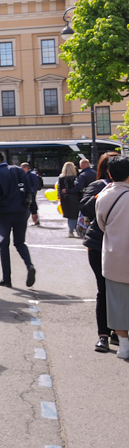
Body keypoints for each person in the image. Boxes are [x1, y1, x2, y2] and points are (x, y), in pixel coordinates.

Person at [94, 154, 129, 360]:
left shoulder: (104, 196)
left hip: (113, 256)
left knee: (116, 302)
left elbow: (101, 224)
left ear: (109, 174)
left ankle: (123, 345)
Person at [0, 150, 37, 288]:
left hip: (4, 215)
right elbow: (29, 191)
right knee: (20, 243)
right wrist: (33, 210)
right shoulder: (18, 170)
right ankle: (29, 265)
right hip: (21, 212)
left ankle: (7, 278)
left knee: (3, 245)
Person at [81, 153, 116, 353]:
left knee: (119, 291)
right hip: (99, 244)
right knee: (104, 290)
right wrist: (103, 195)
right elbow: (85, 208)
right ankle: (103, 334)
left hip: (121, 245)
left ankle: (118, 332)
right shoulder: (99, 186)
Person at [57, 162, 81, 237]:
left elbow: (59, 188)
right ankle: (72, 231)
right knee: (74, 215)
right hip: (73, 198)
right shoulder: (75, 178)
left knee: (69, 215)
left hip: (64, 198)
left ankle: (71, 230)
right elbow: (77, 188)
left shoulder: (61, 178)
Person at [21, 162, 42, 227]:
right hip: (25, 193)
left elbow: (35, 185)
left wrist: (32, 192)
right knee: (30, 208)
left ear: (26, 168)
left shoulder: (32, 175)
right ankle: (35, 221)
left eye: (22, 168)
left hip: (30, 194)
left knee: (33, 208)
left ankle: (36, 221)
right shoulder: (23, 174)